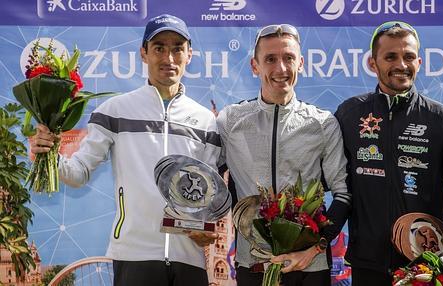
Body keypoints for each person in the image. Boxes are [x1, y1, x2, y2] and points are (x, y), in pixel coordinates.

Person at [275, 21, 443, 285]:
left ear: (420, 62)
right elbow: (322, 183)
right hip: (368, 266)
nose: (401, 65)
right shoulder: (350, 114)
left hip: (425, 268)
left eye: (409, 57)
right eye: (390, 57)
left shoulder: (441, 120)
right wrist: (293, 230)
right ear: (372, 63)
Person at [30, 14, 221, 286]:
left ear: (189, 54)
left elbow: (210, 193)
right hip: (133, 257)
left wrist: (208, 227)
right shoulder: (115, 110)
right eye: (159, 48)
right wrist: (48, 155)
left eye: (177, 48)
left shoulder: (206, 121)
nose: (169, 58)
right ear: (144, 54)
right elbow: (78, 173)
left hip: (189, 259)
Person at [217, 24, 352, 286]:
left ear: (300, 63)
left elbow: (343, 193)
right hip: (254, 264)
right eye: (270, 59)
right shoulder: (230, 121)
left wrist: (315, 248)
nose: (281, 69)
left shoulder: (322, 123)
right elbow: (210, 182)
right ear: (255, 66)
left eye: (288, 58)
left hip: (309, 266)